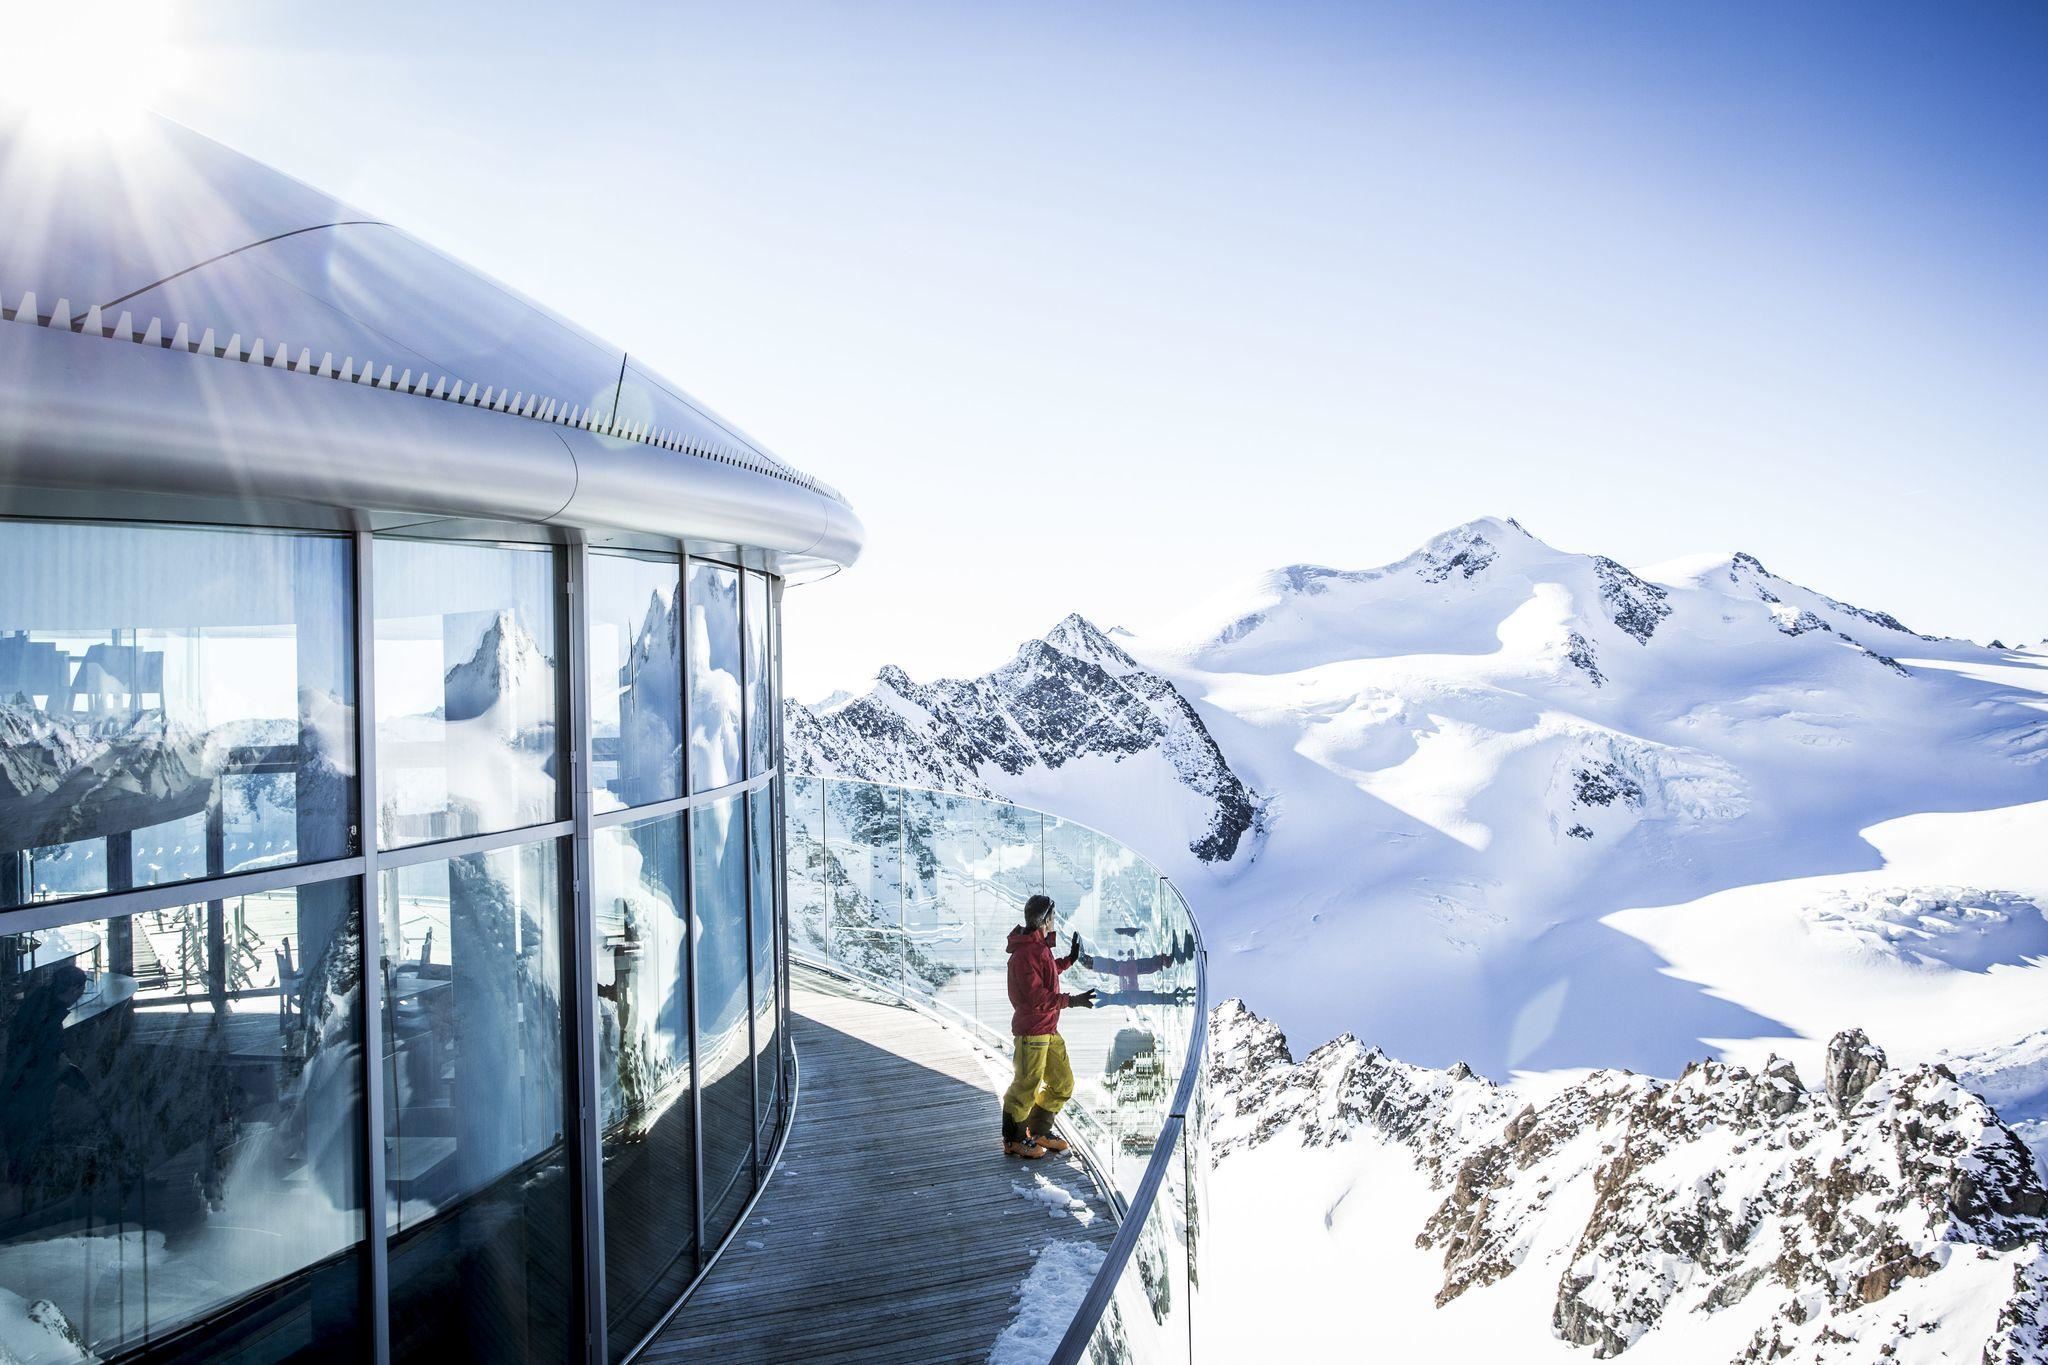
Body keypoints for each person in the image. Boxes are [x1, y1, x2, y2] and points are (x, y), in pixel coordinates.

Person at [1000, 894, 1096, 1159]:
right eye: (1053, 917)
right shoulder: (1024, 954)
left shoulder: (1037, 949)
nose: (1055, 922)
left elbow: (1047, 971)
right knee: (1025, 1086)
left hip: (1048, 1029)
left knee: (1062, 1083)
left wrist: (1070, 959)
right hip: (1033, 1031)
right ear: (1044, 921)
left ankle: (1037, 1129)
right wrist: (1072, 1001)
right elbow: (1037, 997)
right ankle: (1013, 1139)